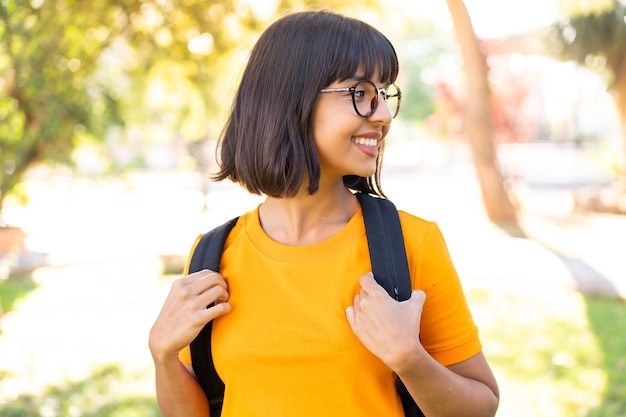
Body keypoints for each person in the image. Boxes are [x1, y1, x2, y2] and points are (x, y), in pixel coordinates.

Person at [149, 9, 499, 417]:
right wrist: (163, 355)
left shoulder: (412, 244)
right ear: (290, 99)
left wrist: (409, 358)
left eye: (384, 94)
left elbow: (482, 406)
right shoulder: (211, 256)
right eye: (361, 93)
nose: (383, 115)